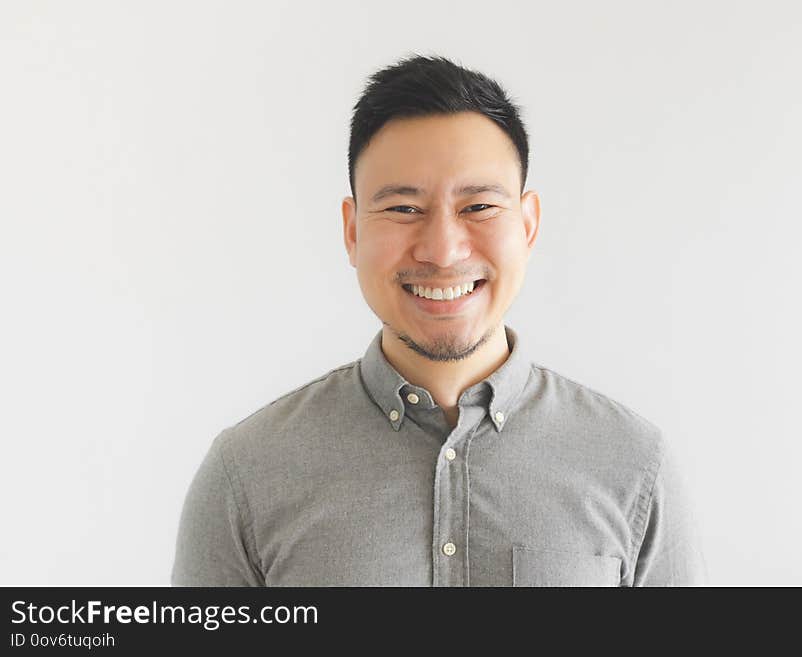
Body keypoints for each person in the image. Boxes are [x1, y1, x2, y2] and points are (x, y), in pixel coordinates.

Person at [171, 53, 707, 586]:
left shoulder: (634, 465)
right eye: (404, 209)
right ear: (353, 231)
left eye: (478, 208)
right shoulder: (246, 474)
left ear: (528, 225)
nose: (443, 251)